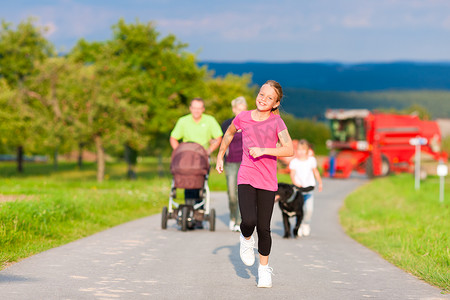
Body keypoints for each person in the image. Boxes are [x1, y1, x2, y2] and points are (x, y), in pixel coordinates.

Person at [216, 80, 294, 288]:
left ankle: (264, 269)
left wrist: (265, 150)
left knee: (265, 228)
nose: (263, 99)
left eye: (269, 98)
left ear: (275, 104)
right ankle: (246, 238)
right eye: (261, 94)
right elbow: (230, 133)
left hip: (268, 180)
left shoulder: (277, 123)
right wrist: (220, 155)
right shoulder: (243, 117)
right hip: (247, 176)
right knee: (248, 220)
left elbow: (289, 149)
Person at [170, 98, 223, 228]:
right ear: (190, 108)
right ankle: (188, 212)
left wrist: (209, 150)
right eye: (194, 108)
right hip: (186, 158)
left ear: (203, 109)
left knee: (200, 185)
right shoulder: (183, 121)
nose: (196, 111)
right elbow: (173, 137)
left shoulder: (209, 121)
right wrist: (178, 151)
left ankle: (199, 212)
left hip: (201, 158)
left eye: (199, 108)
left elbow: (218, 137)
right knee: (186, 182)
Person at [221, 96, 247, 232]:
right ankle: (232, 216)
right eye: (238, 109)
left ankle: (239, 221)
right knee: (231, 193)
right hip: (230, 163)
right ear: (234, 109)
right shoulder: (227, 124)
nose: (241, 112)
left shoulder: (249, 124)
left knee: (241, 192)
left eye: (244, 110)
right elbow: (223, 142)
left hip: (245, 163)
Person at [289, 139, 323, 237]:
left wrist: (320, 182)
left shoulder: (311, 160)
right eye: (299, 149)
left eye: (303, 150)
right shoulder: (294, 162)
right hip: (299, 190)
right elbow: (292, 174)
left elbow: (315, 171)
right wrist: (295, 183)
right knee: (299, 209)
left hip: (309, 190)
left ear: (307, 150)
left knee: (309, 209)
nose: (301, 152)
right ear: (296, 150)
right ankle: (298, 225)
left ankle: (306, 224)